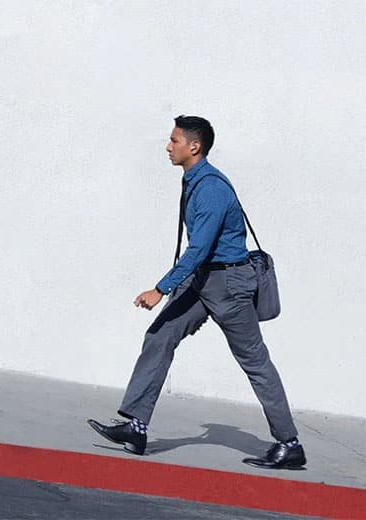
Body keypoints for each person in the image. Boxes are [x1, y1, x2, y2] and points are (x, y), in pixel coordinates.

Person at [88, 116, 306, 470]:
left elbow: (198, 249)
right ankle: (136, 426)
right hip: (203, 280)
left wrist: (161, 289)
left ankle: (289, 443)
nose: (168, 146)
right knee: (160, 336)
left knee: (254, 361)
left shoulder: (211, 188)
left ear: (195, 146)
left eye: (174, 141)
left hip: (229, 285)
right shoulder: (194, 180)